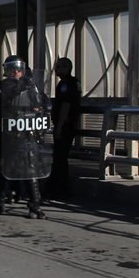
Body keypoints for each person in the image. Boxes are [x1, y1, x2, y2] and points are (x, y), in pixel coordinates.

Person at [0, 55, 48, 218]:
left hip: (25, 134)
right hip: (5, 134)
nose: (15, 72)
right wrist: (16, 87)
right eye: (11, 68)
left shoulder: (31, 86)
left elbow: (42, 103)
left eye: (18, 68)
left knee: (30, 170)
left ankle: (35, 205)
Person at [46, 57, 81, 199]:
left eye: (59, 67)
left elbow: (66, 106)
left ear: (67, 68)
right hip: (68, 124)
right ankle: (57, 187)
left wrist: (59, 126)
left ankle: (61, 188)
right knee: (60, 157)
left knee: (60, 157)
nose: (56, 69)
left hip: (65, 125)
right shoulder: (72, 83)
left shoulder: (66, 84)